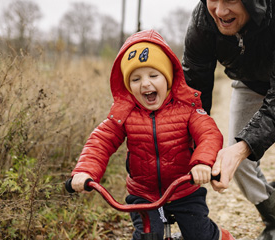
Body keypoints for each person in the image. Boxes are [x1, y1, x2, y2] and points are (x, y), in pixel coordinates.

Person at [182, 0, 275, 239]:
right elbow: (193, 94)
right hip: (249, 79)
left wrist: (243, 148)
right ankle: (274, 222)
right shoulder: (203, 21)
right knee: (235, 159)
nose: (220, 11)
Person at [69, 29, 234, 240]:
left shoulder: (187, 109)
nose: (145, 83)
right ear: (128, 86)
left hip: (184, 188)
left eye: (153, 75)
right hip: (143, 193)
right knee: (148, 235)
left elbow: (209, 134)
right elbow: (100, 141)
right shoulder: (124, 114)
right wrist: (85, 171)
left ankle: (221, 236)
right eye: (135, 79)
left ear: (168, 78)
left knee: (199, 234)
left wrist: (202, 163)